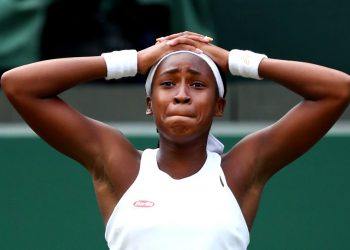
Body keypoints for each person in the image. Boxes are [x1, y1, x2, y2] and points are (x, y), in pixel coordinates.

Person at [1, 31, 349, 250]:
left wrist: (235, 61)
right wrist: (132, 61)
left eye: (197, 85)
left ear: (219, 105)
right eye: (168, 83)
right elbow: (19, 85)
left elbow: (337, 90)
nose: (182, 95)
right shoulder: (119, 165)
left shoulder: (241, 172)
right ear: (150, 104)